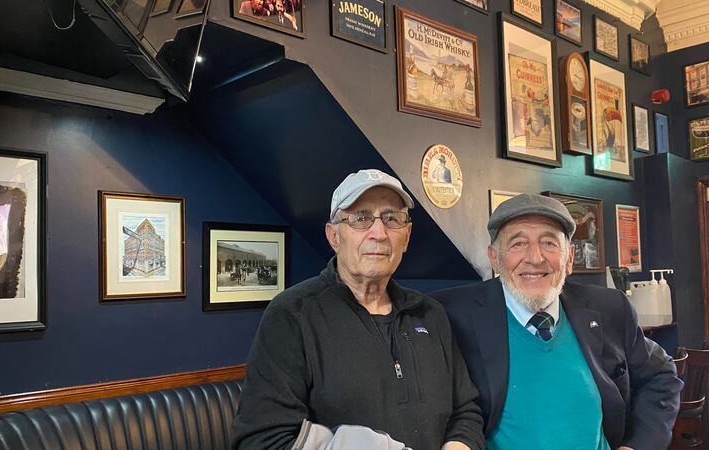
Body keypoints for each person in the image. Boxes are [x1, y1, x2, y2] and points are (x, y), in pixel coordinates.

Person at [234, 169, 484, 450]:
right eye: (361, 218)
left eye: (391, 218)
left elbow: (466, 412)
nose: (379, 233)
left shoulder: (431, 313)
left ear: (407, 236)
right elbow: (262, 440)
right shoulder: (291, 314)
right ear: (334, 236)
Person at [432, 193, 682, 450]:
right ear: (495, 258)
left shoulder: (609, 308)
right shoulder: (450, 313)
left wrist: (638, 446)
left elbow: (661, 376)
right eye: (517, 244)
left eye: (549, 243)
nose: (535, 258)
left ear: (570, 258)